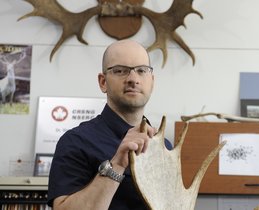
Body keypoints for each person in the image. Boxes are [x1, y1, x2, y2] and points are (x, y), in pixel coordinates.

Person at [47, 39, 172, 210]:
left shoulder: (164, 145)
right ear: (103, 82)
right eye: (120, 71)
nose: (133, 79)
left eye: (142, 70)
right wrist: (117, 165)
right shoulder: (75, 141)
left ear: (152, 81)